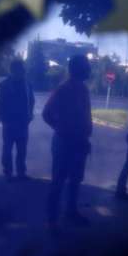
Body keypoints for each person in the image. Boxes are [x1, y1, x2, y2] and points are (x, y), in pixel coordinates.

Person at [42, 54, 93, 226]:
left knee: (75, 179)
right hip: (64, 143)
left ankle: (71, 212)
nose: (89, 69)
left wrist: (85, 137)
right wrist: (61, 129)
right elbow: (46, 114)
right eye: (86, 66)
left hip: (79, 143)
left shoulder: (83, 89)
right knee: (58, 181)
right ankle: (52, 219)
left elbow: (85, 116)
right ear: (78, 69)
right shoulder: (63, 89)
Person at [0, 59, 35, 181]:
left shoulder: (27, 84)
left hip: (22, 122)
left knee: (22, 149)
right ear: (13, 70)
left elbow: (31, 100)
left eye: (23, 70)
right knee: (7, 148)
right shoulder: (4, 85)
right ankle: (8, 172)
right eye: (21, 69)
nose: (23, 72)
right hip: (9, 122)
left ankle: (21, 172)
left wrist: (30, 114)